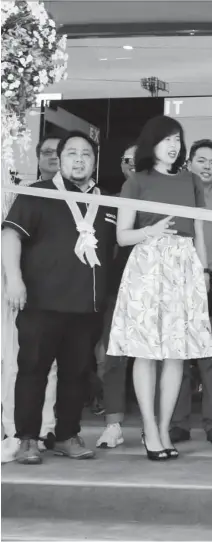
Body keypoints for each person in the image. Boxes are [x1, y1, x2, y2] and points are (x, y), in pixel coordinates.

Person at [1, 131, 117, 464]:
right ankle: (26, 439)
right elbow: (10, 235)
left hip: (86, 306)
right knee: (32, 371)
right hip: (40, 301)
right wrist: (14, 280)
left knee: (76, 374)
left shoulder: (108, 201)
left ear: (95, 162)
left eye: (86, 155)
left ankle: (67, 435)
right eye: (71, 154)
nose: (79, 160)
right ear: (60, 159)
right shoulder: (36, 193)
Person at [108, 116, 212, 461]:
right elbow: (123, 235)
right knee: (145, 350)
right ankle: (149, 429)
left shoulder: (191, 181)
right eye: (167, 139)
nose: (174, 146)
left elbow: (199, 228)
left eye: (177, 140)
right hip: (148, 263)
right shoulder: (137, 182)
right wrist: (150, 232)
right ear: (151, 143)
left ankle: (164, 428)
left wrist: (203, 268)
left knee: (176, 353)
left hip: (184, 264)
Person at [1, 133, 65, 462]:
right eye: (48, 152)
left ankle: (47, 428)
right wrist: (14, 279)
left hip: (53, 297)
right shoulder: (25, 192)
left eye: (60, 152)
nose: (54, 157)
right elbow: (11, 234)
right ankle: (14, 430)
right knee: (18, 363)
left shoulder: (85, 195)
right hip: (18, 288)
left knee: (49, 366)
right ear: (38, 158)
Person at [168, 139, 212, 446]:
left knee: (211, 357)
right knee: (179, 354)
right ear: (189, 162)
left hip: (211, 282)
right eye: (201, 160)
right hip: (177, 280)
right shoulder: (175, 196)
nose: (207, 166)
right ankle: (178, 422)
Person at [95, 143, 137, 449]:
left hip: (152, 286)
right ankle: (114, 424)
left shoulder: (157, 196)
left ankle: (157, 426)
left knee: (156, 359)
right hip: (115, 289)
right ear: (121, 166)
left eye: (139, 160)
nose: (133, 165)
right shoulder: (109, 202)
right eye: (127, 160)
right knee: (113, 357)